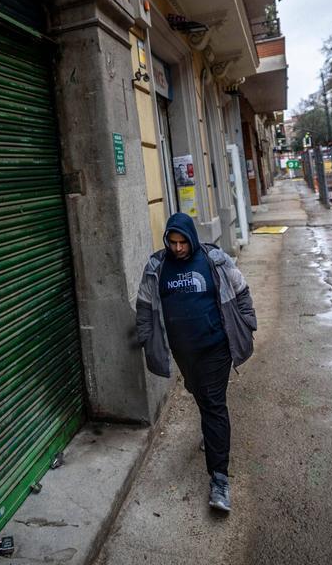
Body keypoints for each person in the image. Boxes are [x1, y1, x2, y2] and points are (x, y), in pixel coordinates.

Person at [134, 213, 257, 513]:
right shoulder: (156, 267)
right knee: (199, 393)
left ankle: (219, 480)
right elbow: (145, 304)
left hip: (216, 348)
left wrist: (249, 320)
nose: (178, 248)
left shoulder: (213, 260)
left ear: (191, 237)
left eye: (182, 242)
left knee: (214, 404)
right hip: (183, 352)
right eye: (172, 242)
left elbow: (241, 290)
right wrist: (145, 336)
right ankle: (211, 431)